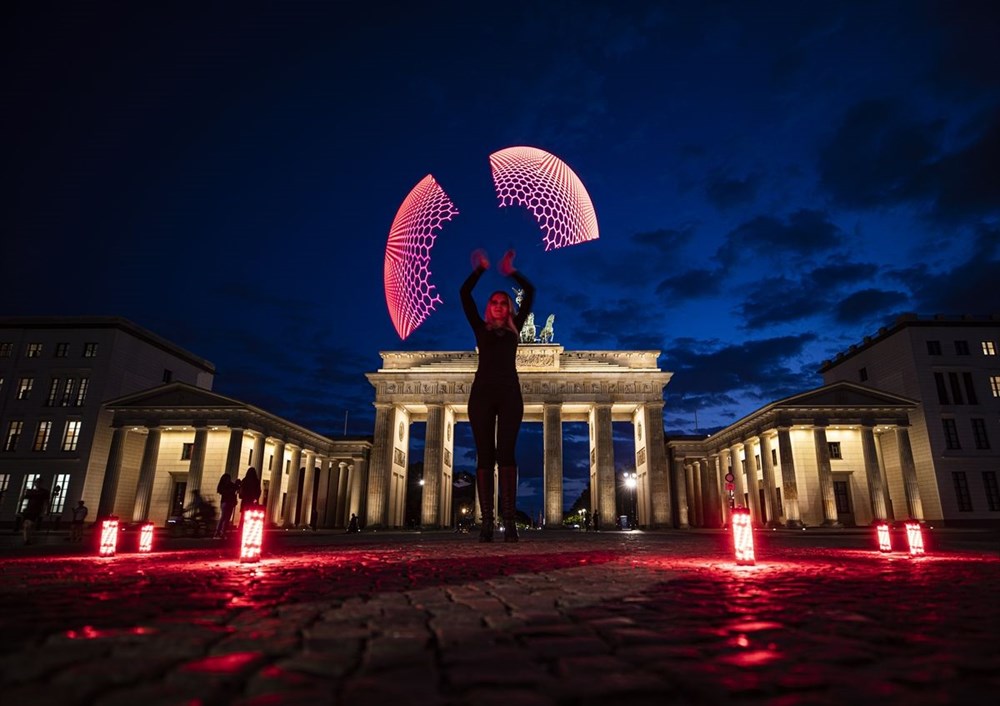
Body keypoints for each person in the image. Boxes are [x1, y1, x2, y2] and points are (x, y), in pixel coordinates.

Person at [461, 248, 534, 543]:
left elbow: (530, 291)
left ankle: (509, 522)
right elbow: (464, 295)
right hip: (481, 395)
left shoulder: (515, 331)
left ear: (509, 309)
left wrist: (510, 269)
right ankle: (487, 523)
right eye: (494, 302)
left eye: (504, 303)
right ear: (489, 307)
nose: (500, 306)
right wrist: (480, 269)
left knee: (506, 454)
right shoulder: (479, 328)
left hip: (509, 395)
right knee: (484, 456)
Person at [20, 480, 50, 545]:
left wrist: (47, 510)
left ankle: (28, 539)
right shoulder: (31, 491)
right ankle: (26, 540)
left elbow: (47, 502)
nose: (37, 484)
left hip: (36, 510)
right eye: (36, 483)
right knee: (26, 526)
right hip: (28, 510)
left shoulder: (44, 492)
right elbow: (23, 498)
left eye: (39, 483)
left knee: (29, 525)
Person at [214, 474, 238, 538]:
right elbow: (224, 492)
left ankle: (222, 532)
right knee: (224, 517)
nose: (228, 480)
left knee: (227, 518)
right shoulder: (224, 486)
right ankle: (218, 531)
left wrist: (237, 484)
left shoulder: (230, 485)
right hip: (225, 502)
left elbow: (236, 489)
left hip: (229, 502)